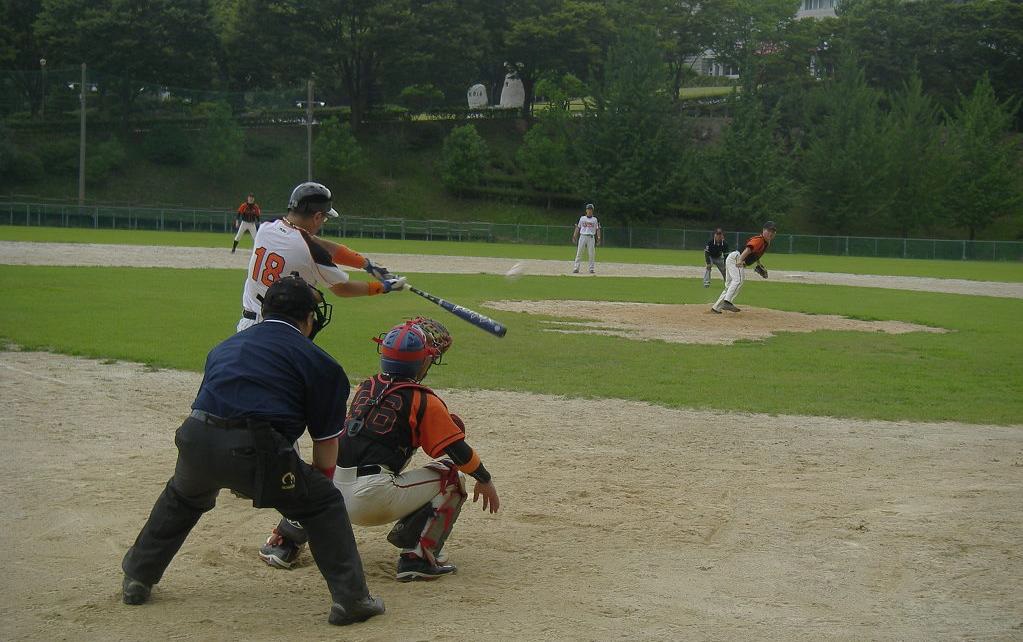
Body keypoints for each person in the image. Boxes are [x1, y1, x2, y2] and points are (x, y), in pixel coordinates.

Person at [120, 274, 385, 627]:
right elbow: (325, 444)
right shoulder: (320, 362)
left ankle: (138, 576)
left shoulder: (226, 346)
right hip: (255, 448)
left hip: (195, 438)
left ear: (265, 310)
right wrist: (311, 492)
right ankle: (352, 601)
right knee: (324, 502)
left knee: (182, 497)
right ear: (308, 318)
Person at [259, 317, 501, 582]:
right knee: (452, 476)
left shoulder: (367, 386)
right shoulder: (423, 399)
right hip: (371, 498)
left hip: (327, 496)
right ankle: (418, 558)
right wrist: (485, 479)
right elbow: (457, 450)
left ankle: (284, 543)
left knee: (318, 477)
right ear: (422, 362)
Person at [237, 181, 404, 333]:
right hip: (278, 331)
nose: (323, 222)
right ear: (317, 216)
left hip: (247, 325)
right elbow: (342, 289)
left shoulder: (266, 227)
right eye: (323, 218)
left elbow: (317, 243)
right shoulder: (312, 251)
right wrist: (383, 287)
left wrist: (367, 264)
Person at [712, 220, 777, 314]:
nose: (770, 233)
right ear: (763, 230)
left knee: (730, 286)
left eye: (773, 231)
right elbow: (748, 249)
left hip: (733, 258)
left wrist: (759, 264)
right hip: (736, 258)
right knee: (738, 280)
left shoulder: (766, 243)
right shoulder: (760, 240)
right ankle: (727, 302)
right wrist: (740, 260)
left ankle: (716, 308)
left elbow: (755, 254)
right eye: (769, 230)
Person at [571, 203, 601, 274]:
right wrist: (574, 236)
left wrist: (599, 237)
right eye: (588, 209)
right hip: (582, 236)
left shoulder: (595, 219)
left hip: (591, 237)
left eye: (591, 209)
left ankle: (591, 268)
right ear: (586, 210)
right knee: (579, 252)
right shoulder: (582, 218)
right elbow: (578, 227)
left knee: (591, 253)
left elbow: (598, 229)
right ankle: (576, 268)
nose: (589, 211)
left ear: (592, 211)